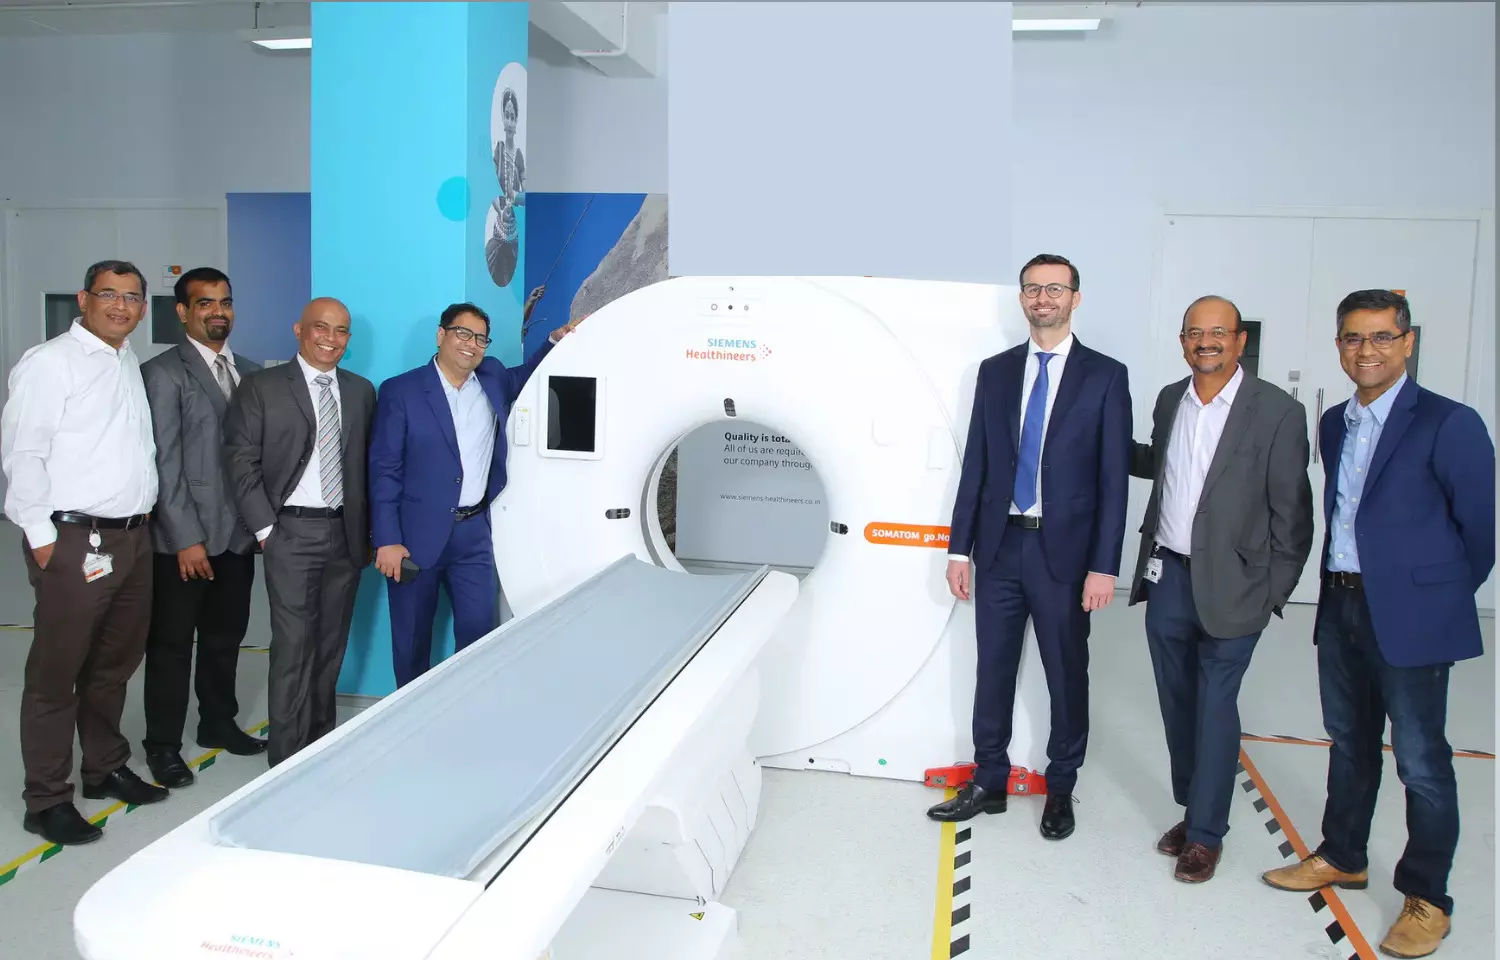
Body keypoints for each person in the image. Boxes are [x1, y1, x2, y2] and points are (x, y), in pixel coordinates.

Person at [1262, 289, 1494, 959]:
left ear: (1408, 342)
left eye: (1382, 337)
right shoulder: (1335, 422)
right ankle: (1343, 855)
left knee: (1421, 761)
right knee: (1349, 741)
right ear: (1340, 345)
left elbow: (1480, 533)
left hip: (1412, 615)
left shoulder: (1450, 423)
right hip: (1340, 605)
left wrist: (1433, 599)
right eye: (1354, 338)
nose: (1367, 350)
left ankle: (1427, 898)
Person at [927, 253, 1132, 840]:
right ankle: (988, 779)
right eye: (1033, 289)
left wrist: (1104, 567)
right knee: (991, 668)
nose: (1044, 298)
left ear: (1075, 298)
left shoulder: (1105, 375)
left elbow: (1113, 481)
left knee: (1066, 673)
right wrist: (958, 549)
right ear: (1022, 298)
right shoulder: (995, 373)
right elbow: (977, 465)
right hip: (998, 550)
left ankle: (1060, 785)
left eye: (1055, 289)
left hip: (1065, 558)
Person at [1126, 295, 1313, 883]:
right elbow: (1163, 464)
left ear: (1238, 341)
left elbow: (1294, 516)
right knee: (1178, 702)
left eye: (1218, 332)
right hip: (1168, 575)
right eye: (1194, 332)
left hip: (1238, 586)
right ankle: (1194, 808)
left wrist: (1271, 593)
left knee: (1215, 704)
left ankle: (1207, 833)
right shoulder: (1170, 400)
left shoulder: (1277, 411)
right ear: (1183, 341)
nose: (1205, 342)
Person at [0, 260, 165, 845]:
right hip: (74, 540)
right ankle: (46, 799)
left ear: (143, 308)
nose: (121, 306)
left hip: (133, 538)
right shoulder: (51, 363)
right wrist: (44, 541)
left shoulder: (125, 361)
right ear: (84, 299)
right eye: (109, 295)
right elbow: (23, 454)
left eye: (132, 297)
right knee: (57, 673)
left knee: (114, 665)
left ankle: (104, 768)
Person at [369, 303, 580, 686]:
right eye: (463, 333)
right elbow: (385, 470)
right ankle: (414, 714)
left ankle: (470, 708)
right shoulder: (401, 391)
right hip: (414, 537)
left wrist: (554, 339)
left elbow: (524, 376)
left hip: (473, 534)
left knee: (480, 634)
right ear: (441, 335)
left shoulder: (492, 376)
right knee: (412, 640)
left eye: (481, 338)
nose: (472, 344)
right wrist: (387, 540)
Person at [222, 298, 376, 767]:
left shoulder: (360, 391)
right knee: (294, 648)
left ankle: (318, 750)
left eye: (341, 331)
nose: (331, 339)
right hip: (289, 533)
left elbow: (366, 467)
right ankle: (286, 762)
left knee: (330, 647)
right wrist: (267, 531)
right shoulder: (262, 387)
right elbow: (239, 462)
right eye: (321, 328)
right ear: (299, 330)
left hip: (344, 536)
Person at [139, 267, 267, 788]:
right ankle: (163, 745)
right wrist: (185, 538)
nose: (219, 312)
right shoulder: (163, 373)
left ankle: (217, 722)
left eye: (225, 302)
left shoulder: (250, 373)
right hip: (184, 543)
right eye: (206, 303)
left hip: (237, 537)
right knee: (172, 646)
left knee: (224, 638)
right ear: (183, 311)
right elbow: (163, 464)